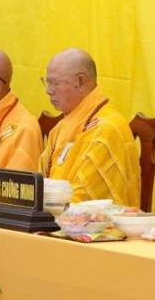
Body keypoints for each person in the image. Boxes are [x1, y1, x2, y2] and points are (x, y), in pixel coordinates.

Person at [38, 48, 140, 206]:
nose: (48, 91)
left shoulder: (108, 130)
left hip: (85, 221)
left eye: (54, 83)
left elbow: (85, 203)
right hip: (53, 215)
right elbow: (39, 183)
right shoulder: (60, 128)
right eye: (47, 82)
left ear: (81, 82)